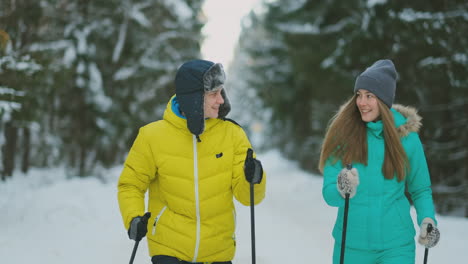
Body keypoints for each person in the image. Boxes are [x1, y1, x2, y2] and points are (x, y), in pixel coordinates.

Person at [117, 59, 266, 264]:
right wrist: (133, 217)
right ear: (194, 98)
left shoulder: (233, 135)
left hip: (217, 252)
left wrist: (254, 178)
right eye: (213, 94)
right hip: (169, 249)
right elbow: (130, 184)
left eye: (221, 92)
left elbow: (249, 198)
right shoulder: (152, 136)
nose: (221, 100)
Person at [318, 59, 440, 263]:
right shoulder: (343, 135)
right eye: (359, 95)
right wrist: (342, 187)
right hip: (351, 245)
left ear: (384, 101)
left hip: (396, 246)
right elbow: (329, 194)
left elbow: (420, 189)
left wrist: (427, 220)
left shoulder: (407, 139)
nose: (361, 102)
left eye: (370, 96)